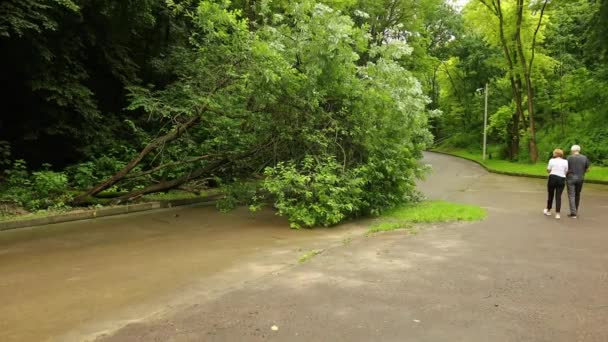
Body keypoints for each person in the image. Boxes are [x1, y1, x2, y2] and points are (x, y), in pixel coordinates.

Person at [566, 145, 590, 218]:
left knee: (571, 195)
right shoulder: (584, 158)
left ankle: (573, 213)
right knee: (577, 194)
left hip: (570, 178)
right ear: (579, 150)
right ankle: (575, 210)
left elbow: (566, 168)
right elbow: (587, 169)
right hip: (580, 177)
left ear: (572, 150)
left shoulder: (569, 158)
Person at [544, 149, 568, 219]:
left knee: (550, 194)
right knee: (558, 196)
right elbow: (566, 171)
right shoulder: (565, 161)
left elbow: (548, 170)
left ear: (556, 154)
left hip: (552, 178)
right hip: (561, 179)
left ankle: (548, 210)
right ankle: (557, 214)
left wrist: (551, 170)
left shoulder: (551, 160)